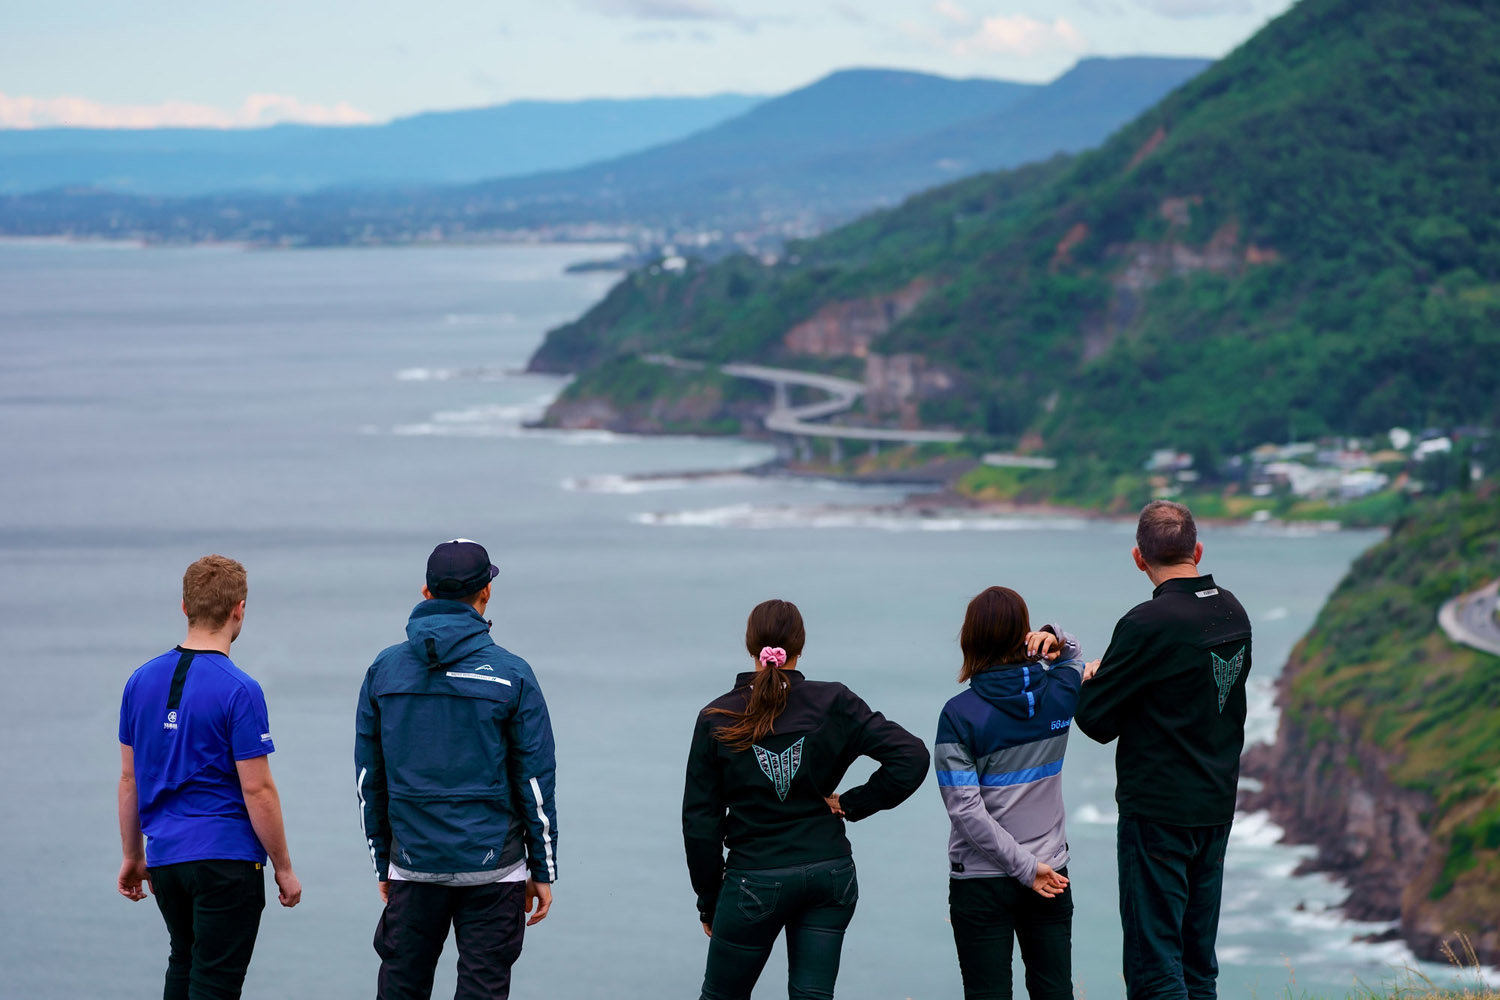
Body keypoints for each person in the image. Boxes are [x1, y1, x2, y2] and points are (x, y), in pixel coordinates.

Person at [683, 598, 929, 1000]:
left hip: (754, 880)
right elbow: (911, 757)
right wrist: (852, 803)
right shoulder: (834, 701)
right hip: (830, 874)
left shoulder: (717, 716)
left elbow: (699, 821)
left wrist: (709, 901)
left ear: (750, 645)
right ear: (800, 646)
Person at [355, 538, 557, 1000]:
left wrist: (383, 860)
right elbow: (534, 783)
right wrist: (542, 869)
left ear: (426, 593)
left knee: (402, 987)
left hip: (413, 863)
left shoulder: (384, 671)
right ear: (486, 592)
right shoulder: (512, 674)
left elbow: (370, 779)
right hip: (494, 868)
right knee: (483, 990)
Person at [1075, 500, 1252, 1000]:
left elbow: (1096, 721)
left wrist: (1091, 679)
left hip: (1158, 811)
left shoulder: (1147, 622)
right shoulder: (1233, 610)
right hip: (1215, 803)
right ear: (1197, 549)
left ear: (1138, 557)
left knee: (1155, 966)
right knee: (1198, 963)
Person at [117, 554, 302, 1000]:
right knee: (214, 984)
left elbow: (129, 781)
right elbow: (257, 789)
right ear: (239, 608)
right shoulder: (240, 689)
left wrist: (132, 855)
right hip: (225, 858)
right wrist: (284, 867)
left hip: (166, 861)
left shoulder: (139, 681)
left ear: (184, 607)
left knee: (184, 961)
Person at [935, 587, 1085, 1000]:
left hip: (983, 880)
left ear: (972, 639)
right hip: (1051, 872)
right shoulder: (1060, 692)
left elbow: (965, 812)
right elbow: (1073, 656)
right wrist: (1054, 636)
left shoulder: (959, 714)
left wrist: (1022, 868)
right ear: (1024, 635)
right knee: (1055, 992)